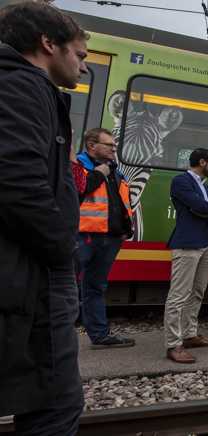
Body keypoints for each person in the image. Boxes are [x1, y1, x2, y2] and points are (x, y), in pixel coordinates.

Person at [0, 2, 88, 433]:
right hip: (36, 267)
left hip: (28, 264)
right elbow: (17, 180)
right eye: (81, 54)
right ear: (48, 44)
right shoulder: (23, 87)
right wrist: (62, 247)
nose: (83, 66)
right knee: (55, 405)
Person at [76, 128, 135, 348]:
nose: (113, 149)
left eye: (113, 145)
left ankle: (100, 336)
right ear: (92, 146)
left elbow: (121, 204)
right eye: (109, 145)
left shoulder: (115, 172)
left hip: (110, 238)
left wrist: (125, 230)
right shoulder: (79, 166)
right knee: (65, 285)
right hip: (84, 237)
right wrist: (99, 172)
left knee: (96, 287)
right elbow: (78, 189)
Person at [164, 148, 208, 364]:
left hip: (207, 245)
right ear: (202, 162)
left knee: (197, 292)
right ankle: (173, 344)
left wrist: (206, 209)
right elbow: (199, 205)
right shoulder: (181, 181)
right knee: (179, 295)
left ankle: (189, 334)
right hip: (188, 243)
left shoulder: (207, 188)